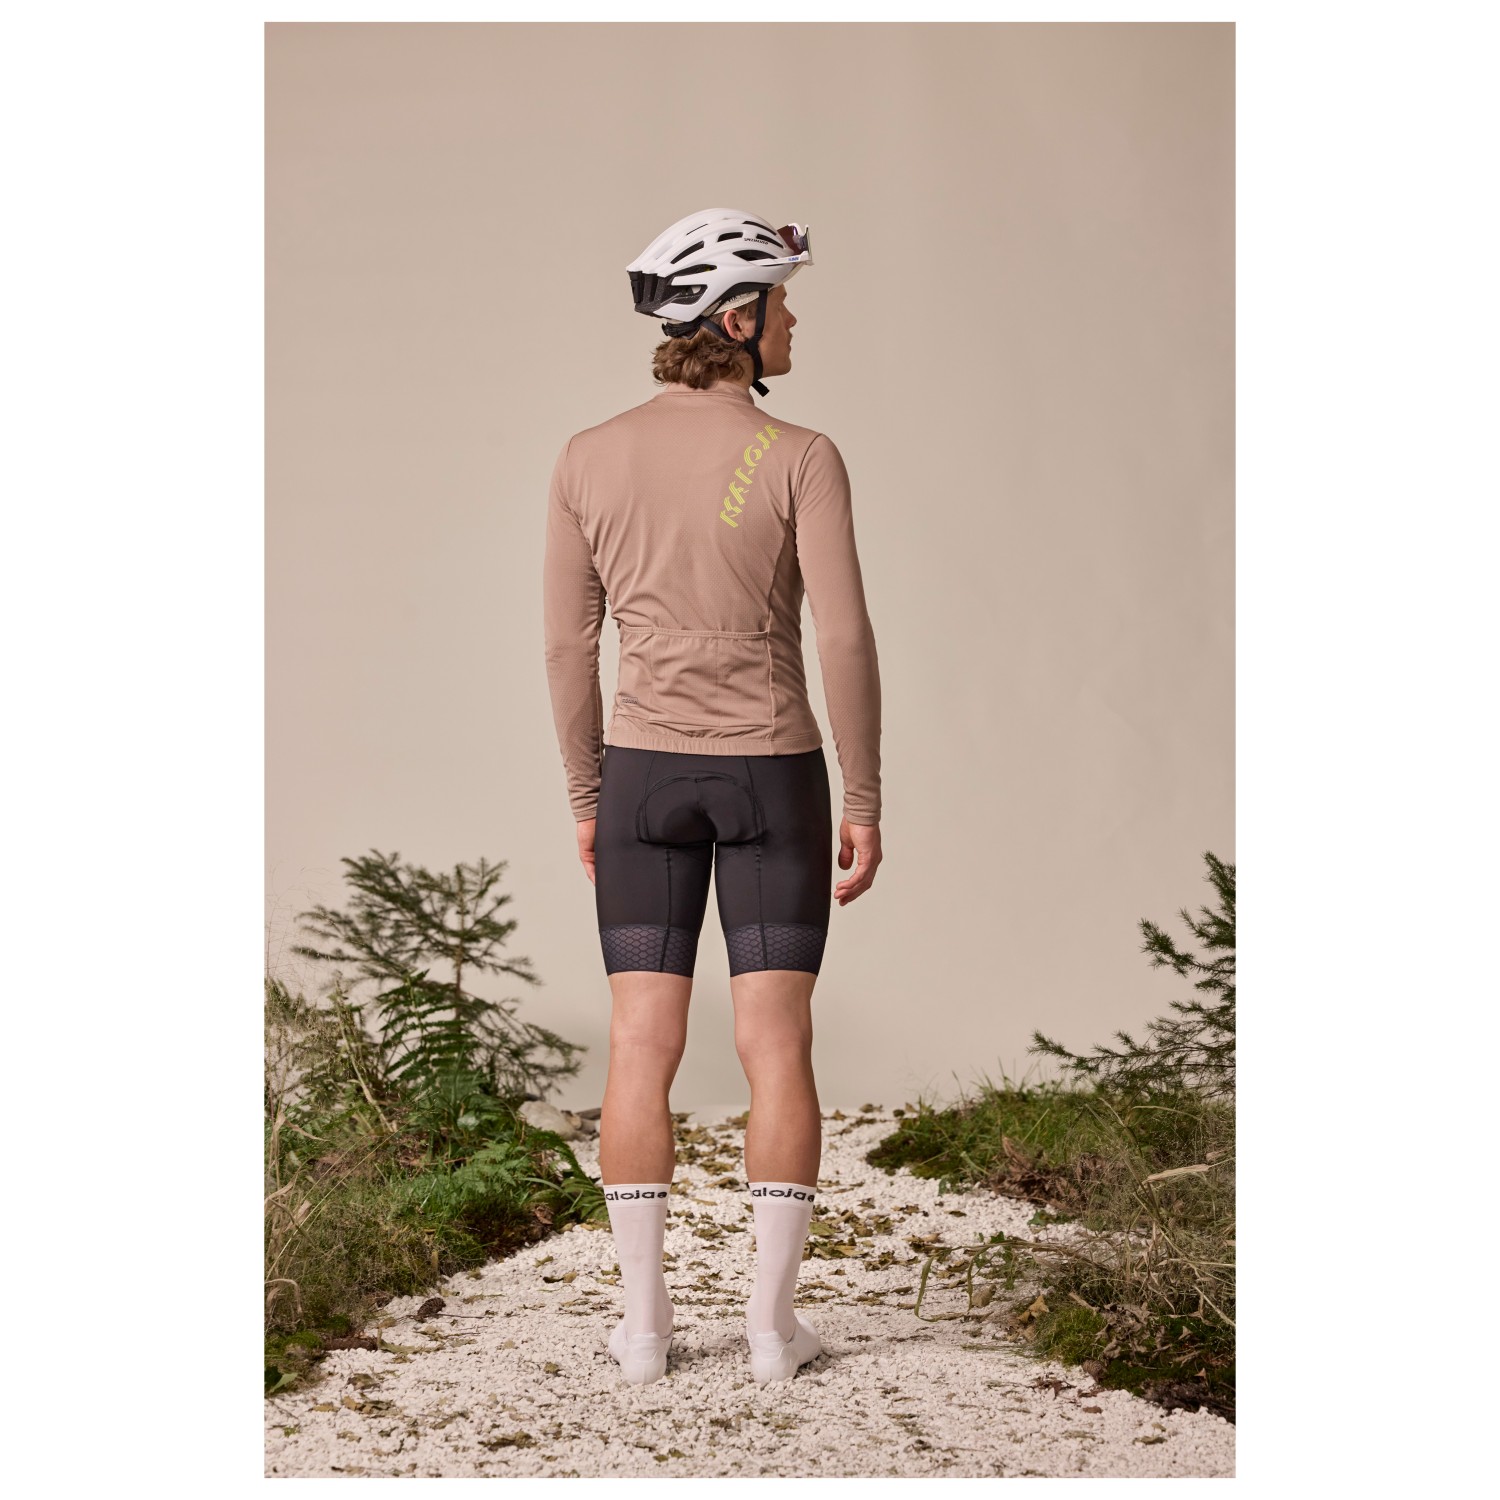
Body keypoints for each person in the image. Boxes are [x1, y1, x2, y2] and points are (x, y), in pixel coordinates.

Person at [541, 207, 883, 1385]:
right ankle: (771, 1332)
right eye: (782, 301)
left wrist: (588, 792)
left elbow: (565, 646)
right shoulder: (800, 456)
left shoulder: (586, 456)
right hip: (772, 775)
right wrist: (865, 794)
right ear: (737, 321)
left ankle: (643, 1332)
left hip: (642, 776)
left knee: (640, 1042)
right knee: (775, 1043)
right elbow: (844, 638)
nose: (795, 321)